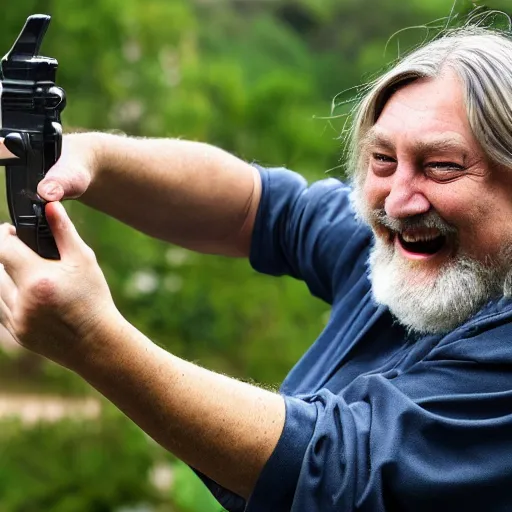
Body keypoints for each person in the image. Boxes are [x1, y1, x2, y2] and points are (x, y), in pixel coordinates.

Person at [0, 24, 512, 511]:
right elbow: (259, 206)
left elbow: (335, 472)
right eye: (382, 160)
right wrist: (85, 156)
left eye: (441, 166)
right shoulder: (406, 253)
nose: (397, 202)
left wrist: (94, 339)